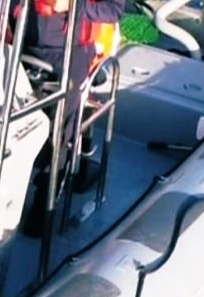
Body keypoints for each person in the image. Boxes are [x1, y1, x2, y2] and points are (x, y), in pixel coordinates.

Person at [18, 0, 125, 233]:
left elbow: (114, 10)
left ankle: (45, 199)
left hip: (73, 49)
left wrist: (72, 5)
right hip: (19, 37)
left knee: (63, 122)